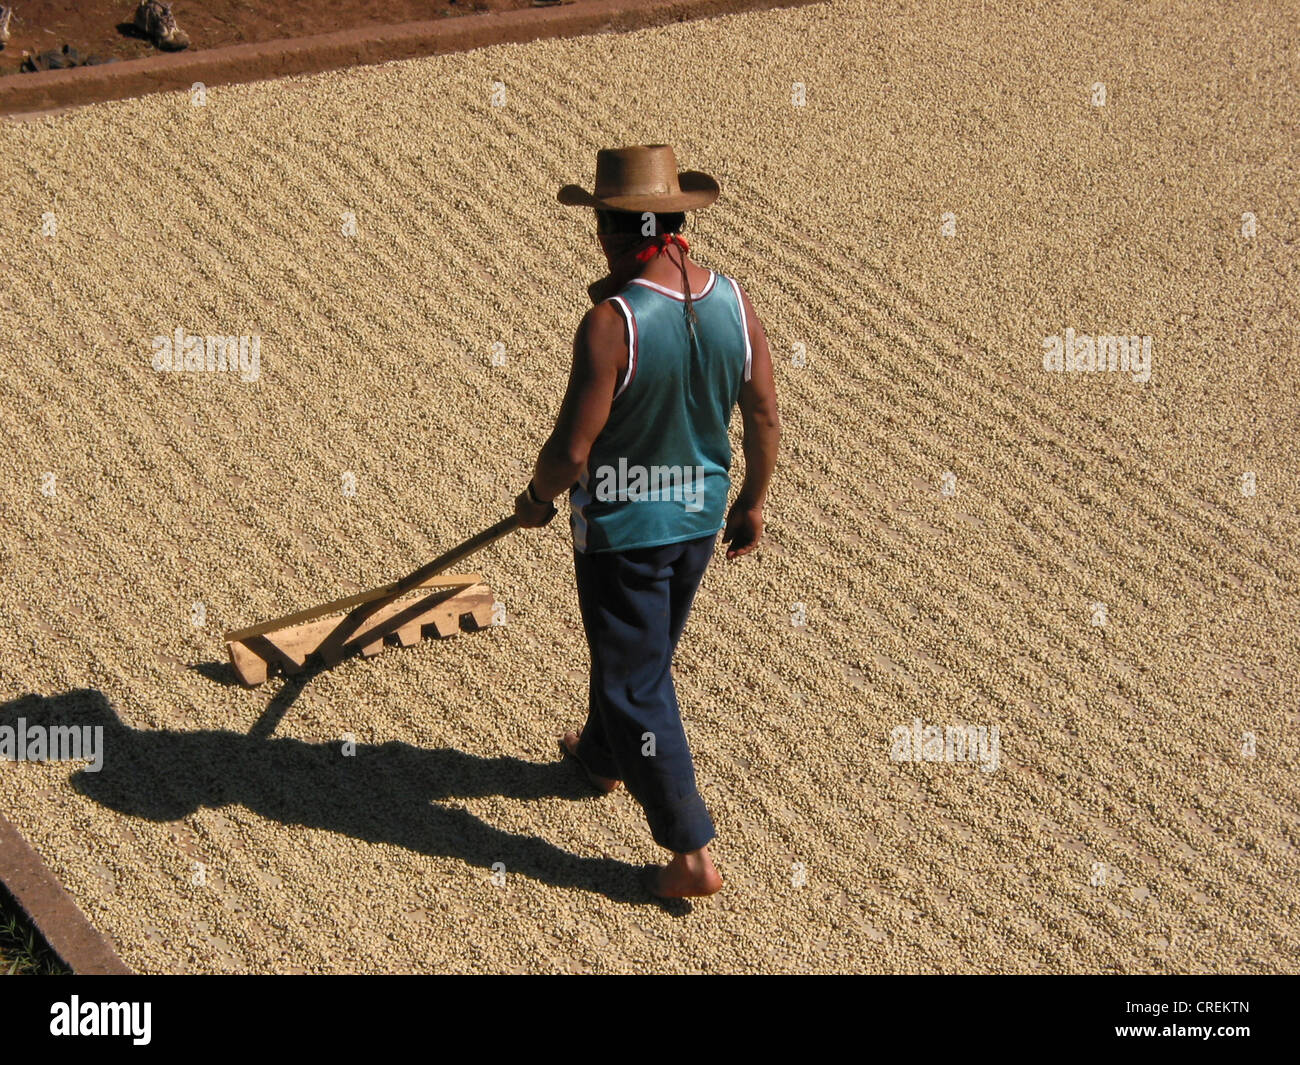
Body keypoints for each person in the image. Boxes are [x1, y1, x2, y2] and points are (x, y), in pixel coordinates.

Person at [513, 145, 781, 898]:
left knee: (637, 682)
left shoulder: (612, 322)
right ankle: (603, 758)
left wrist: (536, 498)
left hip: (625, 533)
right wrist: (753, 498)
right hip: (698, 523)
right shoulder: (734, 298)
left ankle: (690, 850)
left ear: (610, 230)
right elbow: (761, 411)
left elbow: (572, 450)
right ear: (675, 223)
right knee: (639, 651)